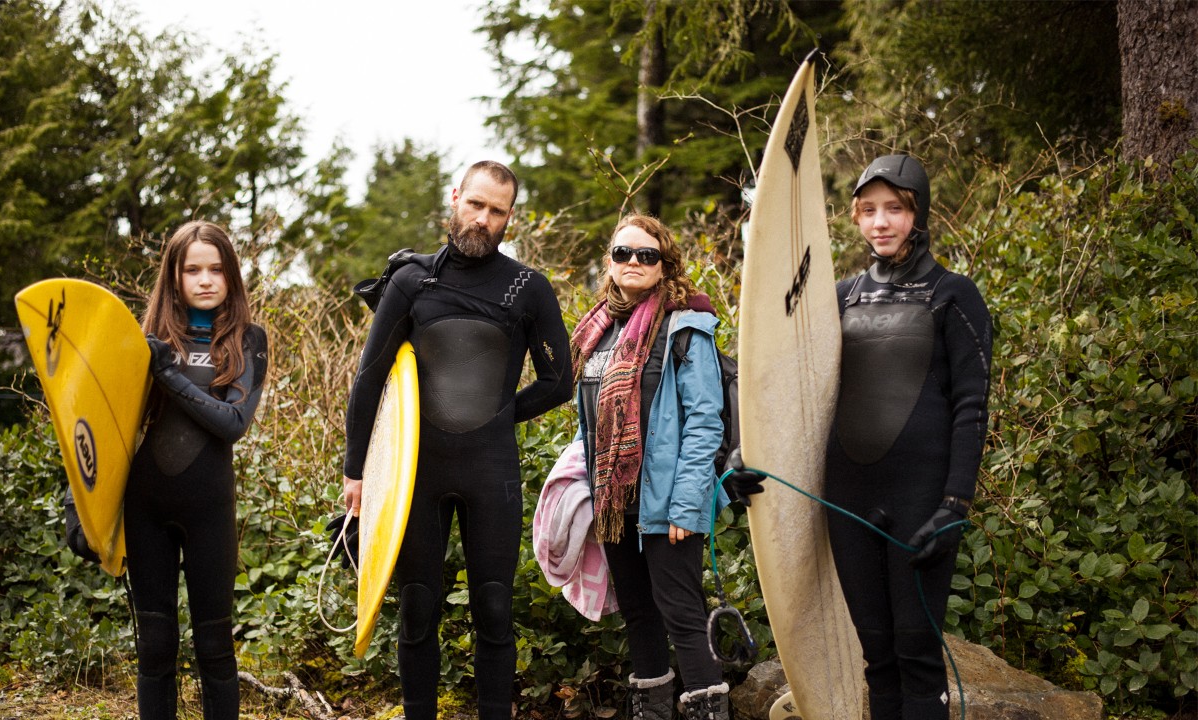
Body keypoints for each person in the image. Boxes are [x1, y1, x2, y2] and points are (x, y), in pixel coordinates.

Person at [728, 154, 992, 720]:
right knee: (876, 658)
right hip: (847, 498)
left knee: (917, 656)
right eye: (868, 210)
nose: (880, 222)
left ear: (918, 213)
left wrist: (954, 505)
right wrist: (744, 451)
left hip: (921, 499)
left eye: (894, 208)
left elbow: (971, 406)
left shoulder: (953, 294)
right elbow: (787, 388)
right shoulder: (838, 297)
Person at [340, 160, 573, 720]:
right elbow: (370, 378)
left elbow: (558, 381)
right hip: (416, 474)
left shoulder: (527, 288)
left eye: (497, 211)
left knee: (493, 608)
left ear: (510, 218)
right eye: (476, 204)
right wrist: (356, 472)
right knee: (417, 606)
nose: (483, 219)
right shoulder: (411, 281)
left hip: (491, 471)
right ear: (455, 198)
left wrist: (501, 415)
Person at [569, 214, 731, 720]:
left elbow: (705, 421)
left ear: (665, 264)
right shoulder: (597, 330)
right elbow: (589, 423)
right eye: (623, 253)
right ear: (609, 262)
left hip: (669, 502)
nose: (634, 262)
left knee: (682, 614)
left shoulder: (685, 327)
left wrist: (687, 505)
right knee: (638, 614)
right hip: (615, 501)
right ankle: (652, 712)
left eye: (647, 254)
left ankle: (708, 710)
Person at [125, 221, 268, 719]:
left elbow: (233, 422)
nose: (205, 280)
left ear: (231, 276)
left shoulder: (248, 340)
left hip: (209, 509)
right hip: (145, 507)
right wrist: (78, 504)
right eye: (192, 270)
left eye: (216, 269)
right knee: (155, 645)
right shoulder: (145, 340)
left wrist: (168, 375)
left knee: (214, 646)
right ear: (174, 276)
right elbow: (102, 424)